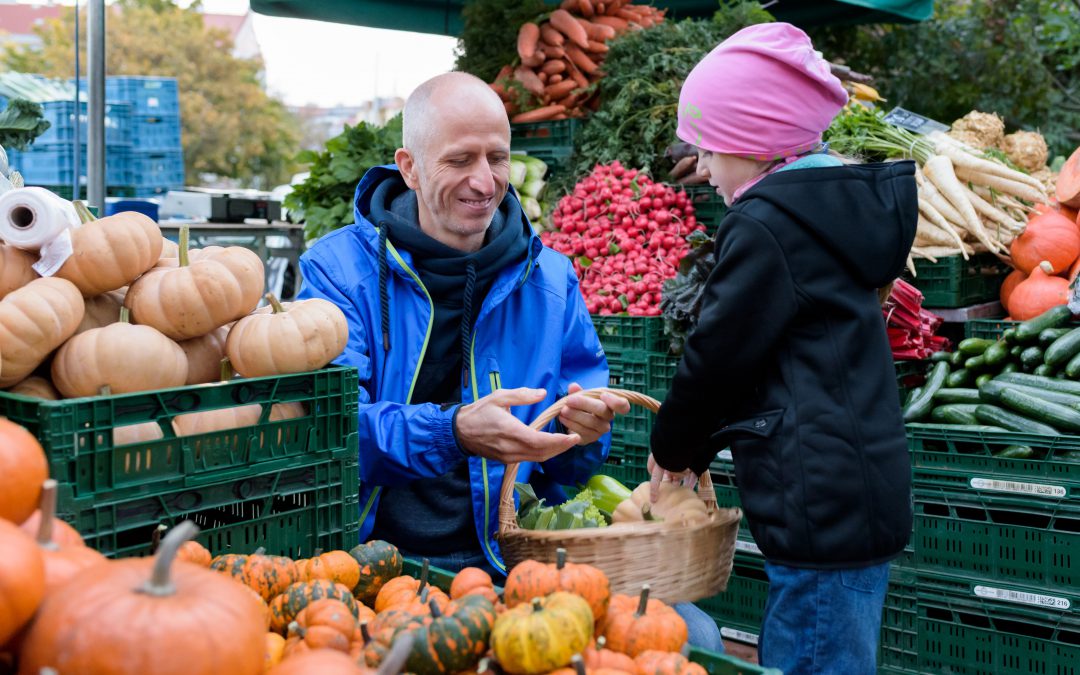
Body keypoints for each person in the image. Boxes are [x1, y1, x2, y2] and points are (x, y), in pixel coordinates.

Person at [647, 23, 916, 674]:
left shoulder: (768, 224)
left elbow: (719, 355)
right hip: (847, 495)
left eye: (710, 149)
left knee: (812, 653)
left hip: (820, 507)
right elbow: (765, 357)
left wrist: (672, 445)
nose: (702, 168)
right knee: (825, 643)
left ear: (757, 143)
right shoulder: (828, 209)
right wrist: (700, 448)